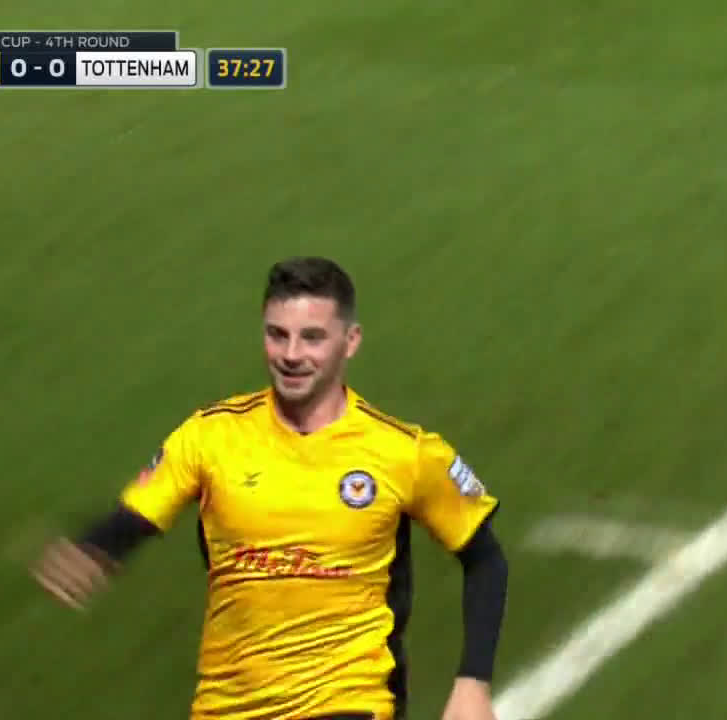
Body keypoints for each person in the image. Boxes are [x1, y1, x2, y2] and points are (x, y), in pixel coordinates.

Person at [33, 256, 508, 720]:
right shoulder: (211, 436)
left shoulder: (403, 452)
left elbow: (484, 558)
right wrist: (95, 549)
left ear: (350, 342)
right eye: (277, 334)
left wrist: (473, 683)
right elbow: (137, 515)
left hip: (350, 698)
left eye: (312, 337)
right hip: (225, 705)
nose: (291, 355)